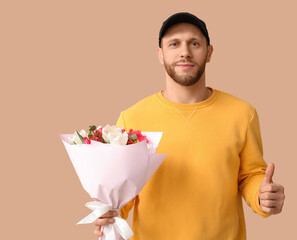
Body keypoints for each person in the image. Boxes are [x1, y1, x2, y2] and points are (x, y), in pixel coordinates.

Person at [93, 12, 285, 240]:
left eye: (194, 43)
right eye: (174, 44)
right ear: (160, 55)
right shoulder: (132, 118)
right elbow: (122, 192)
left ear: (209, 52)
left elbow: (250, 176)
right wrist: (106, 214)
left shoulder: (243, 114)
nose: (185, 51)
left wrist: (262, 197)